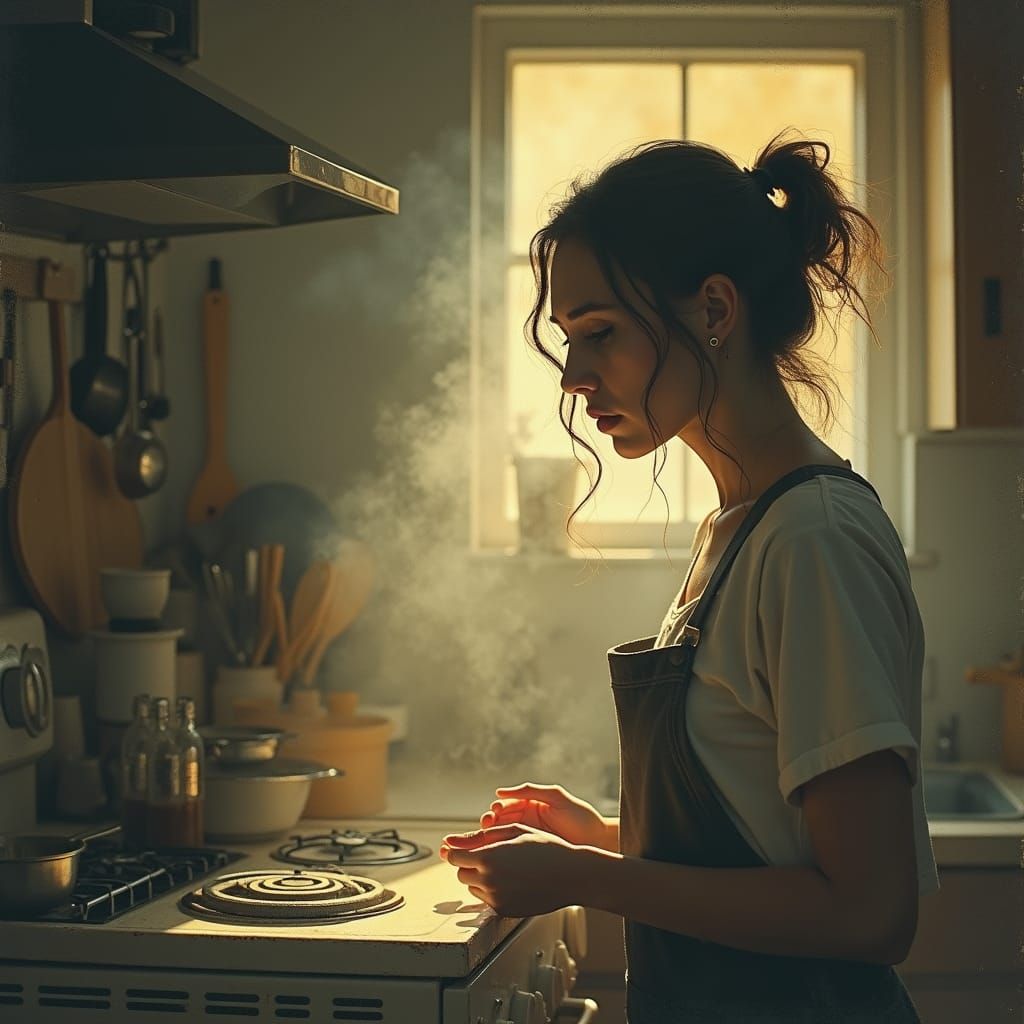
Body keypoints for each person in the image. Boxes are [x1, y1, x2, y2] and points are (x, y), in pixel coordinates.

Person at [440, 129, 938, 1023]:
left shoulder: (812, 539)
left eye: (599, 332)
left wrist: (588, 877)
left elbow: (870, 911)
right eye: (567, 339)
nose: (576, 377)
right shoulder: (739, 528)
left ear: (714, 309)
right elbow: (763, 845)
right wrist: (599, 839)